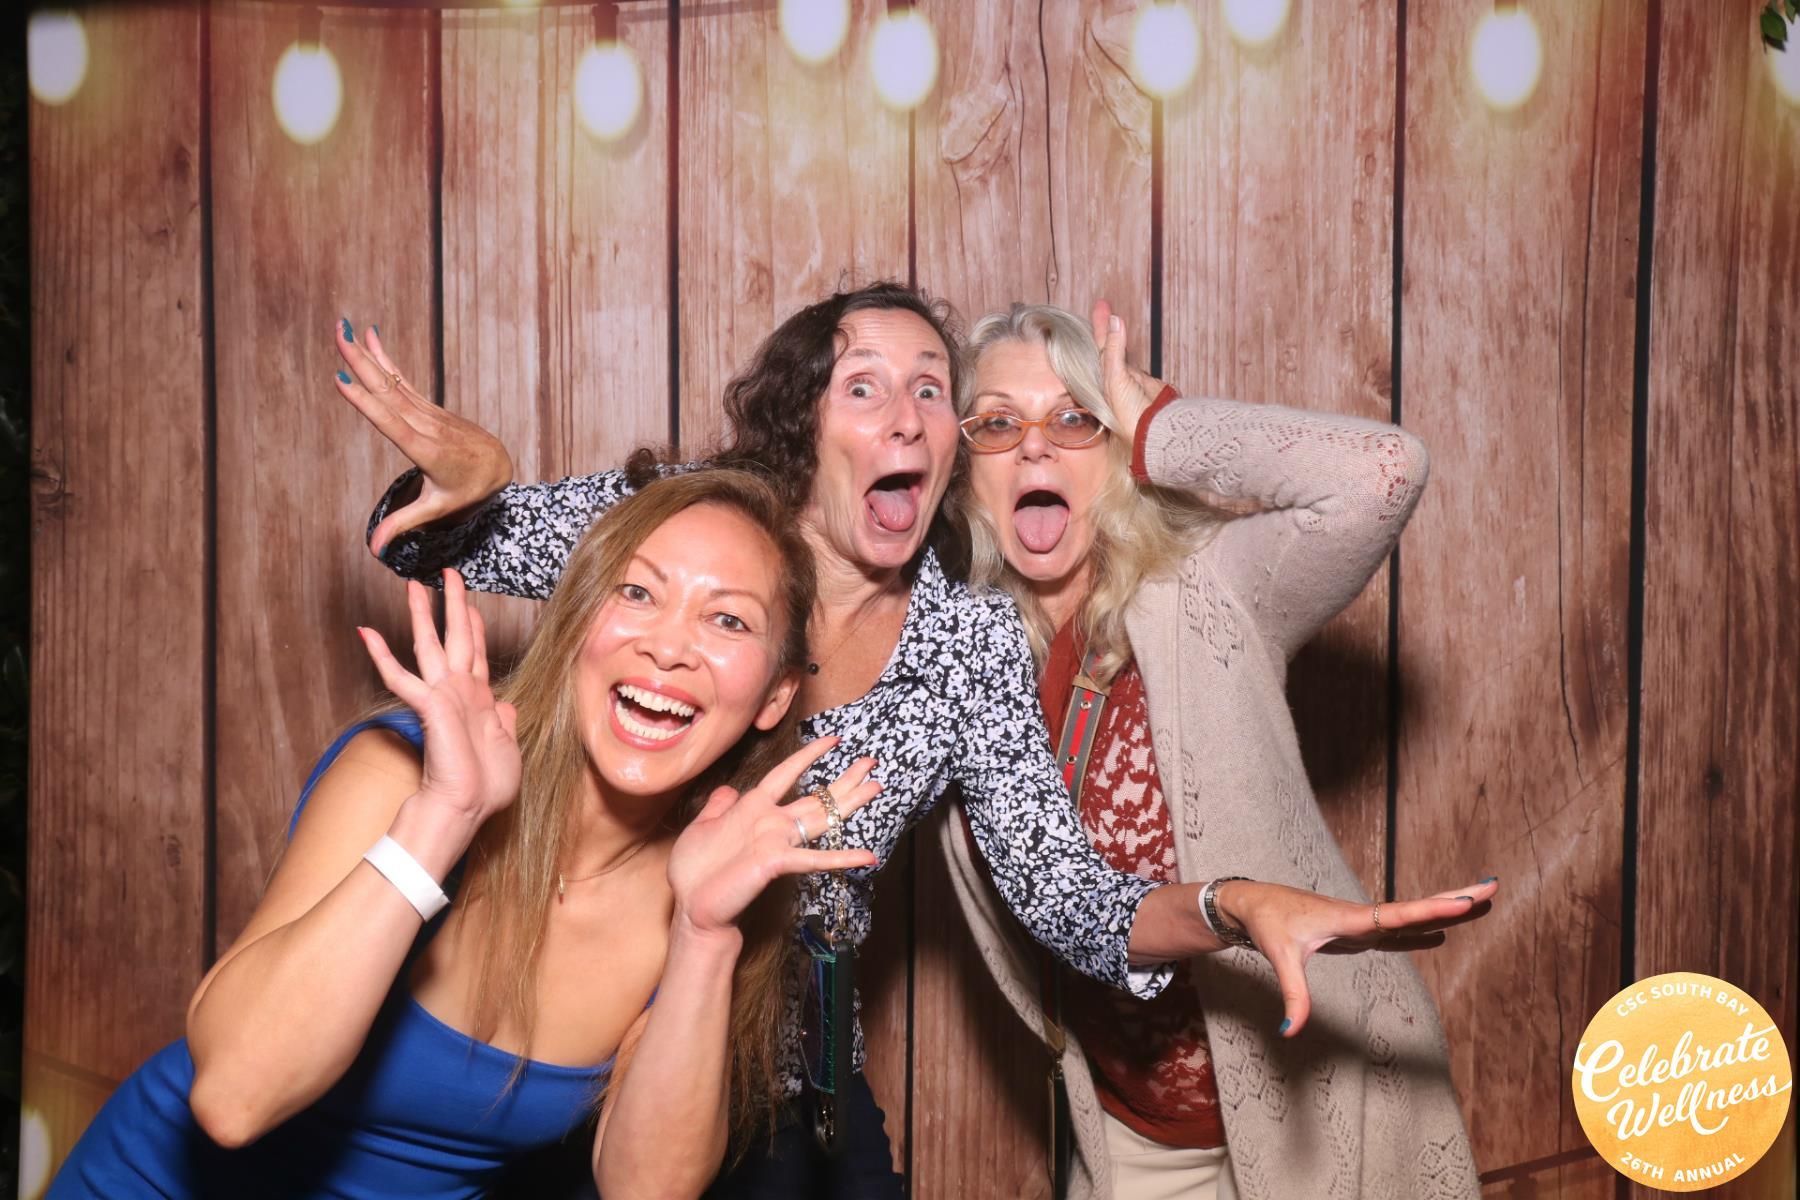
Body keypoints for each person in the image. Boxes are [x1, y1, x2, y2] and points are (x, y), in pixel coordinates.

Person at [337, 283, 1491, 1197]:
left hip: (783, 1072)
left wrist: (1232, 903)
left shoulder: (968, 640)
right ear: (806, 425)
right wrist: (468, 491)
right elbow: (422, 544)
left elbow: (1068, 898)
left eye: (931, 390)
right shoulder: (697, 528)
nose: (904, 414)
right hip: (567, 1029)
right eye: (865, 386)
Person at [51, 470, 880, 1199]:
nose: (668, 647)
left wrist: (703, 934)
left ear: (775, 697)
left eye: (728, 621)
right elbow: (234, 1099)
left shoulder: (704, 891)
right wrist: (442, 819)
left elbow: (644, 1190)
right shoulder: (401, 775)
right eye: (636, 593)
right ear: (576, 621)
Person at [941, 300, 1488, 1199]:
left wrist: (1161, 424)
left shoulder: (1214, 591)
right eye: (997, 424)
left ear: (1115, 451)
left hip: (1321, 1112)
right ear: (964, 466)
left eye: (1075, 418)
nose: (1034, 449)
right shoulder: (957, 660)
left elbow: (1385, 472)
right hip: (1128, 1139)